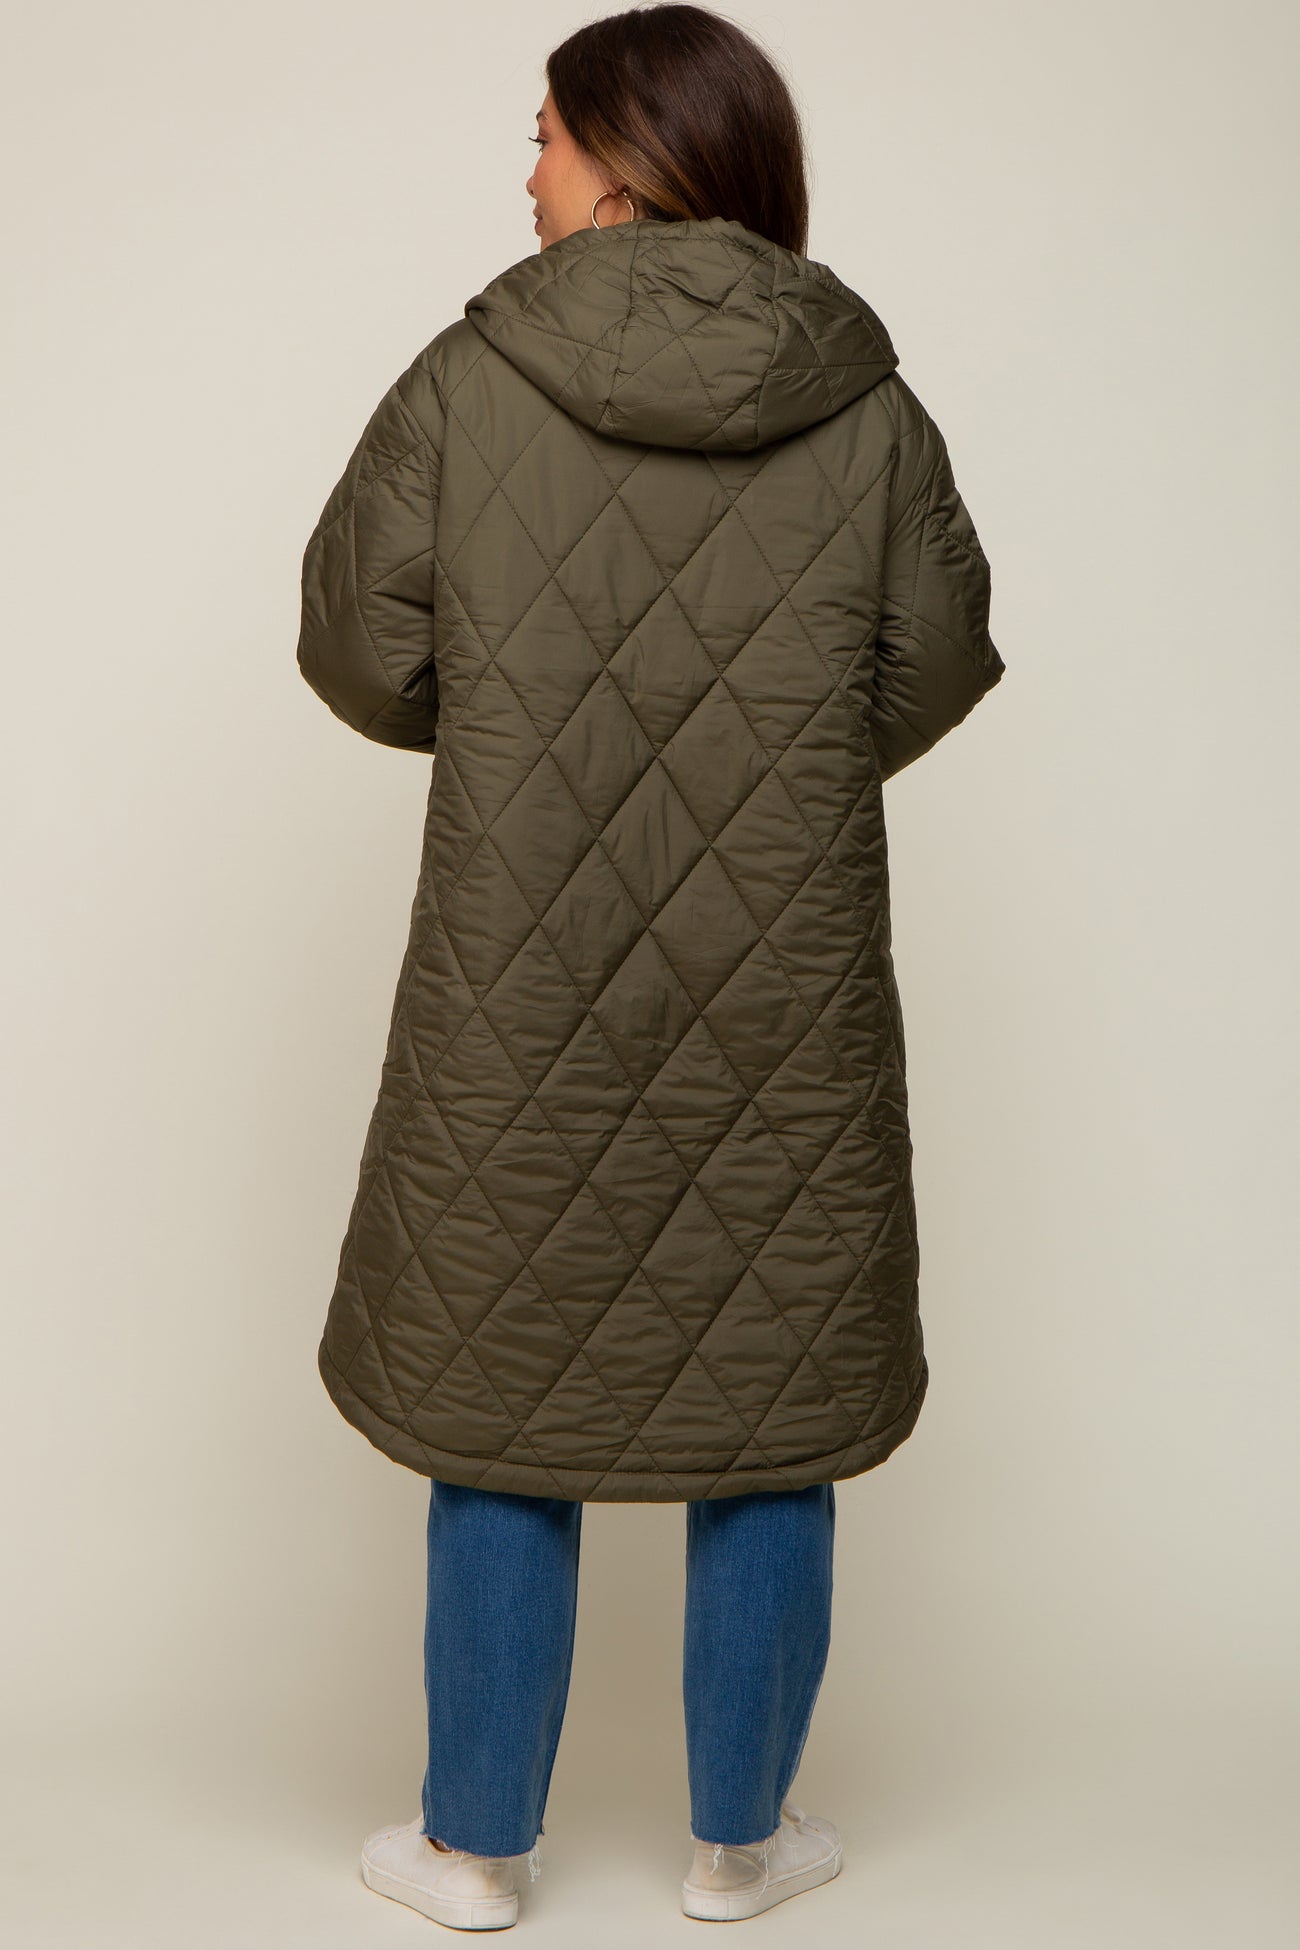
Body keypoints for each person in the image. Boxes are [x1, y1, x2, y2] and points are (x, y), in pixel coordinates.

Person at [294, 3, 1005, 1930]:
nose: (521, 168)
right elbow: (938, 661)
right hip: (785, 989)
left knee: (498, 1392)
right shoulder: (864, 400)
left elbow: (358, 652)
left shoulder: (469, 378)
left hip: (513, 986)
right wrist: (776, 761)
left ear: (626, 158)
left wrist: (518, 731)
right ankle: (740, 1843)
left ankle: (473, 1847)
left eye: (540, 133)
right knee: (768, 1392)